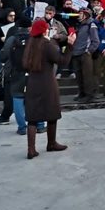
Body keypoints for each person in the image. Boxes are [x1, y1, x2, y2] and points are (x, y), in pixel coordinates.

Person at [21, 19, 77, 158]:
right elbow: (62, 60)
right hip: (47, 83)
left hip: (32, 83)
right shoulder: (47, 45)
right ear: (44, 30)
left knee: (32, 117)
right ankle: (51, 143)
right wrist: (70, 45)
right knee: (52, 113)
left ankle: (31, 149)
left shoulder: (30, 44)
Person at [0, 16, 44, 136]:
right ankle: (39, 125)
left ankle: (22, 127)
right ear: (30, 26)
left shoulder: (12, 39)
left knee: (18, 99)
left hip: (16, 73)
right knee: (36, 99)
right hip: (33, 73)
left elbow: (3, 55)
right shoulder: (35, 39)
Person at [72, 8, 99, 102]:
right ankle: (82, 93)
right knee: (79, 76)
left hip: (85, 53)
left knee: (87, 76)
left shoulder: (91, 25)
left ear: (86, 15)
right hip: (76, 53)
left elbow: (95, 41)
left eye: (80, 13)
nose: (79, 15)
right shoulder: (80, 25)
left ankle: (89, 95)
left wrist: (89, 51)